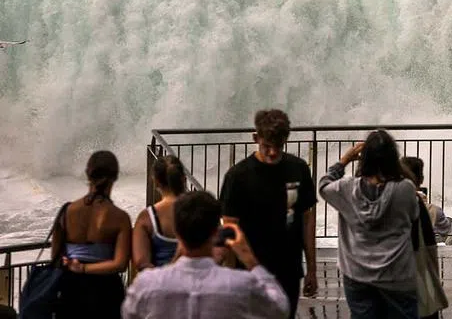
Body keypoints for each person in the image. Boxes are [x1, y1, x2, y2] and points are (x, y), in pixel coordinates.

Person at [121, 190, 289, 319]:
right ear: (216, 232)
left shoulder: (148, 284)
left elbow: (128, 313)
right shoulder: (239, 284)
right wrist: (250, 259)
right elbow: (281, 309)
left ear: (177, 232)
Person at [220, 109, 318, 317]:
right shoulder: (238, 176)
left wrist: (312, 269)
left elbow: (307, 218)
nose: (273, 152)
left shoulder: (298, 169)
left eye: (278, 146)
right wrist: (243, 269)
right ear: (256, 138)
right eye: (267, 146)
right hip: (248, 271)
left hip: (289, 268)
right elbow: (229, 227)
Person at [319, 130, 420, 319]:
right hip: (397, 274)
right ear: (393, 158)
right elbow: (413, 215)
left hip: (357, 274)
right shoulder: (405, 189)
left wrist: (344, 160)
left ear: (364, 160)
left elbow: (324, 186)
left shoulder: (346, 188)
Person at [51, 150, 132, 318]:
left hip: (71, 289)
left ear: (88, 174)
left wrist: (72, 264)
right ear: (115, 177)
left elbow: (55, 258)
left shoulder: (66, 211)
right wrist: (85, 268)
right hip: (106, 292)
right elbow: (120, 264)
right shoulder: (120, 217)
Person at [133, 155, 188, 272]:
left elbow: (141, 263)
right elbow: (217, 252)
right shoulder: (202, 210)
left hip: (162, 287)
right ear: (184, 179)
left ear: (156, 182)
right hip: (198, 286)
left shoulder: (147, 217)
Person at [402, 156, 452, 239]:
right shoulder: (434, 210)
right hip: (420, 251)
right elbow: (445, 229)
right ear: (421, 179)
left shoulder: (387, 207)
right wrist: (422, 204)